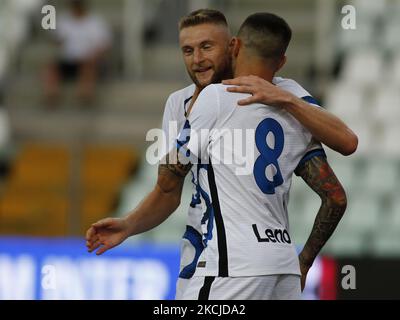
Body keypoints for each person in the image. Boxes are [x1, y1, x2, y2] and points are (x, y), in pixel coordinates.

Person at [86, 10, 352, 299]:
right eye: (187, 50)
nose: (197, 59)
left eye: (206, 47)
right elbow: (167, 193)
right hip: (221, 255)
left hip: (231, 259)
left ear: (233, 46)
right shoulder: (178, 103)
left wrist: (286, 100)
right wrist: (130, 224)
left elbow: (347, 142)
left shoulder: (278, 94)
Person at [43, 0, 111, 106]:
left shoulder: (95, 22)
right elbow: (57, 41)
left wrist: (94, 56)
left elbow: (103, 46)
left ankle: (85, 97)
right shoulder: (64, 20)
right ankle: (51, 97)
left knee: (88, 67)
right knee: (52, 67)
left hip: (88, 61)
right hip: (69, 60)